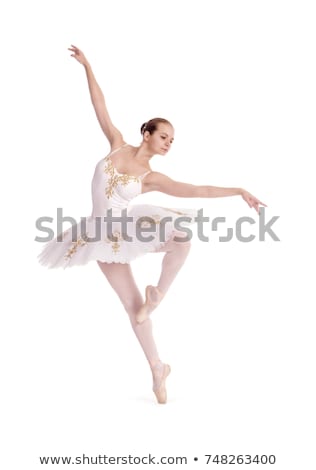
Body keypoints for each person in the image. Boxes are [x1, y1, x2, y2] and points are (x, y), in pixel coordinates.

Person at [38, 45, 266, 405]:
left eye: (172, 141)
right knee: (133, 308)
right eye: (165, 137)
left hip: (127, 228)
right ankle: (158, 368)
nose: (169, 143)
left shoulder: (151, 177)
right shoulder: (116, 145)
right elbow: (100, 105)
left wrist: (238, 190)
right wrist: (88, 67)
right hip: (98, 235)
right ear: (147, 133)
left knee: (182, 237)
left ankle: (158, 292)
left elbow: (197, 190)